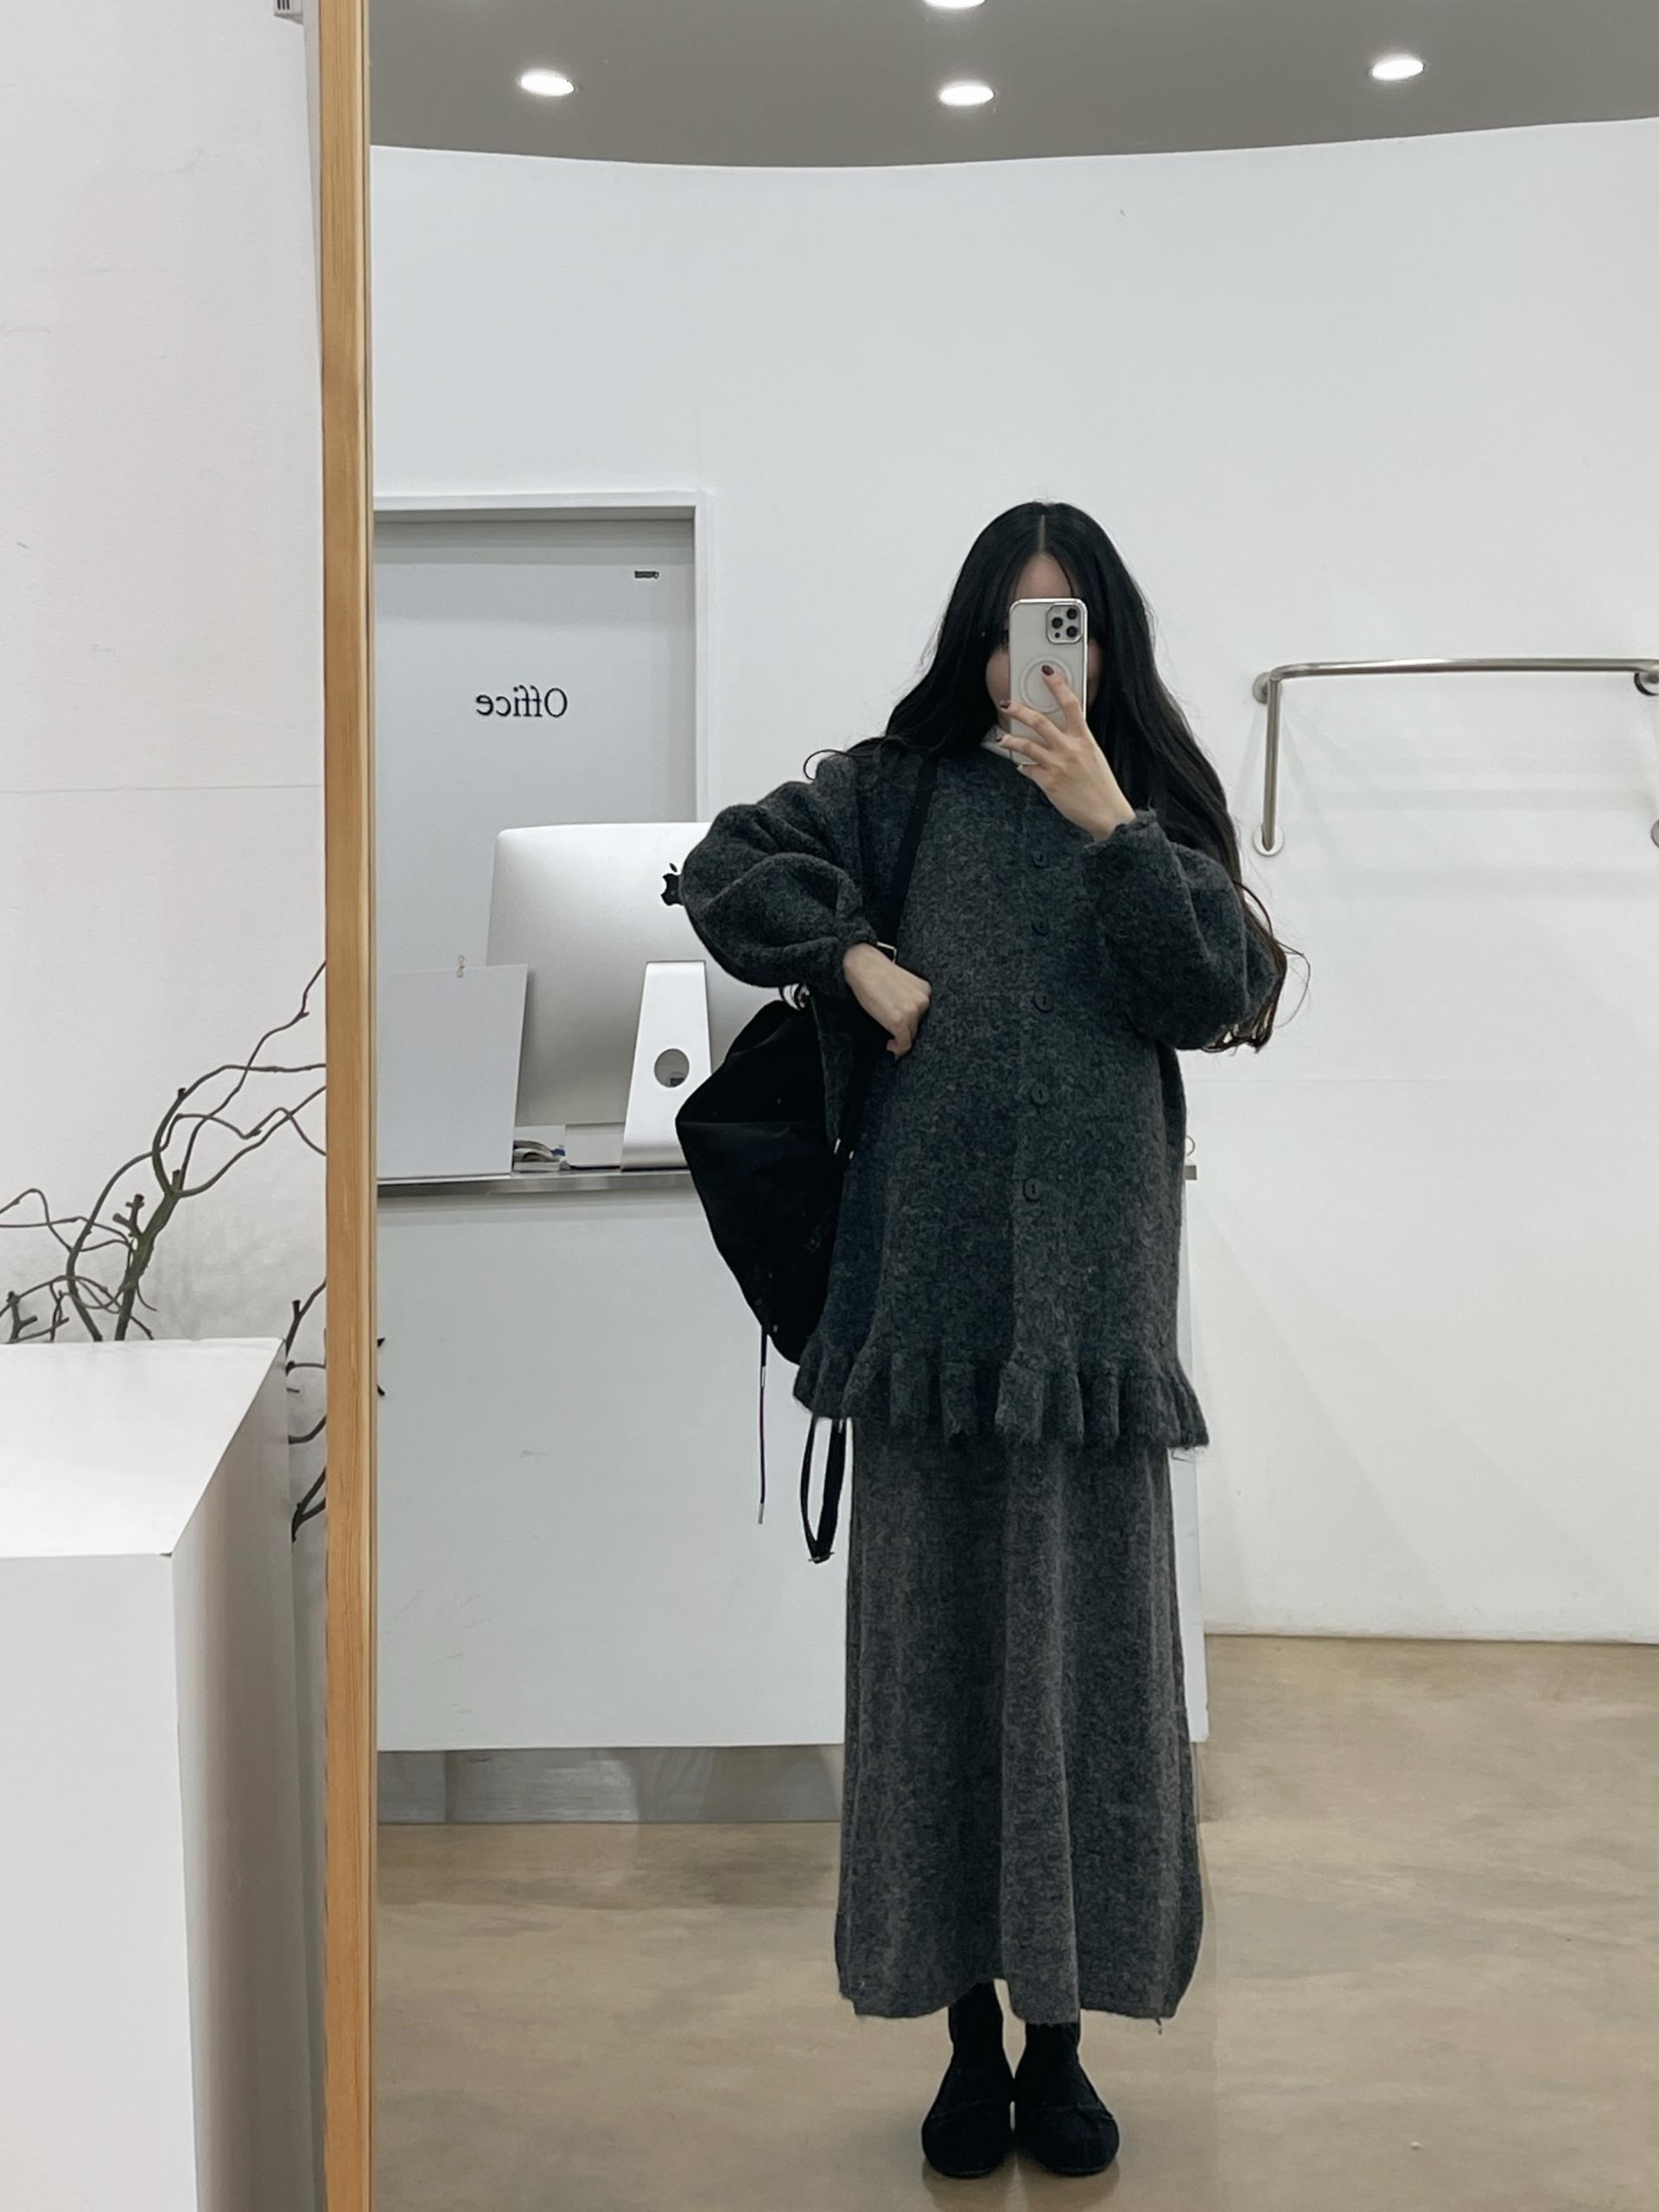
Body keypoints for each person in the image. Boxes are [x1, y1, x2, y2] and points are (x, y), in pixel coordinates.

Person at [676, 500, 1291, 2180]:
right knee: (935, 1670)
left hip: (1092, 1327)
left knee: (1087, 1674)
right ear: (975, 638)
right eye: (1019, 626)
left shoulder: (1150, 800)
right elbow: (726, 866)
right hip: (924, 1317)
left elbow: (1223, 993)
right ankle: (962, 2031)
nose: (1041, 661)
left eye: (1067, 624)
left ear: (1106, 642)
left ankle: (1063, 2035)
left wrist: (1110, 823)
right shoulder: (894, 790)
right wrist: (855, 959)